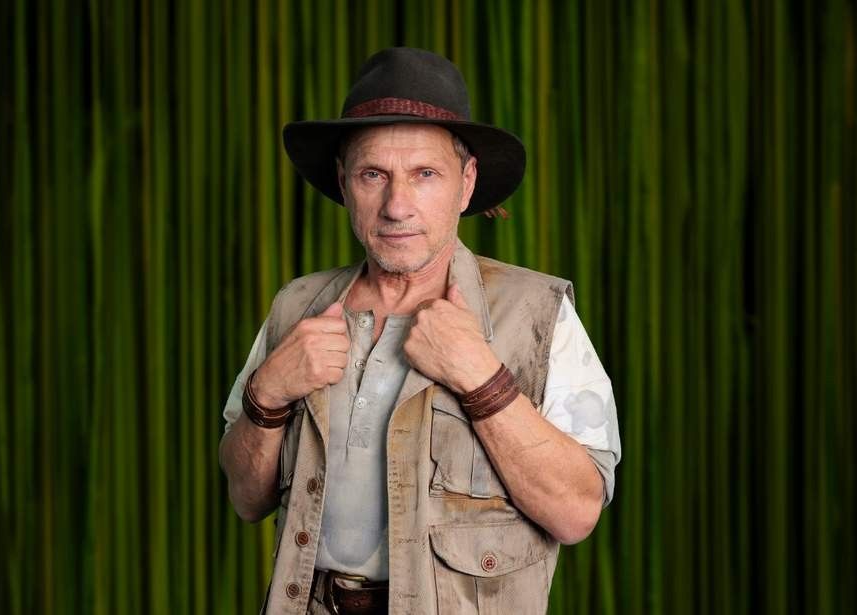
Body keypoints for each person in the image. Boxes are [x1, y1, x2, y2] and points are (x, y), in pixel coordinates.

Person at [219, 47, 621, 615]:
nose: (397, 205)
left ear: (466, 183)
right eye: (373, 175)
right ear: (344, 183)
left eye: (424, 174)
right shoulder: (296, 307)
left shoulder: (538, 312)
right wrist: (267, 394)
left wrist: (480, 377)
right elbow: (245, 499)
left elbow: (577, 513)